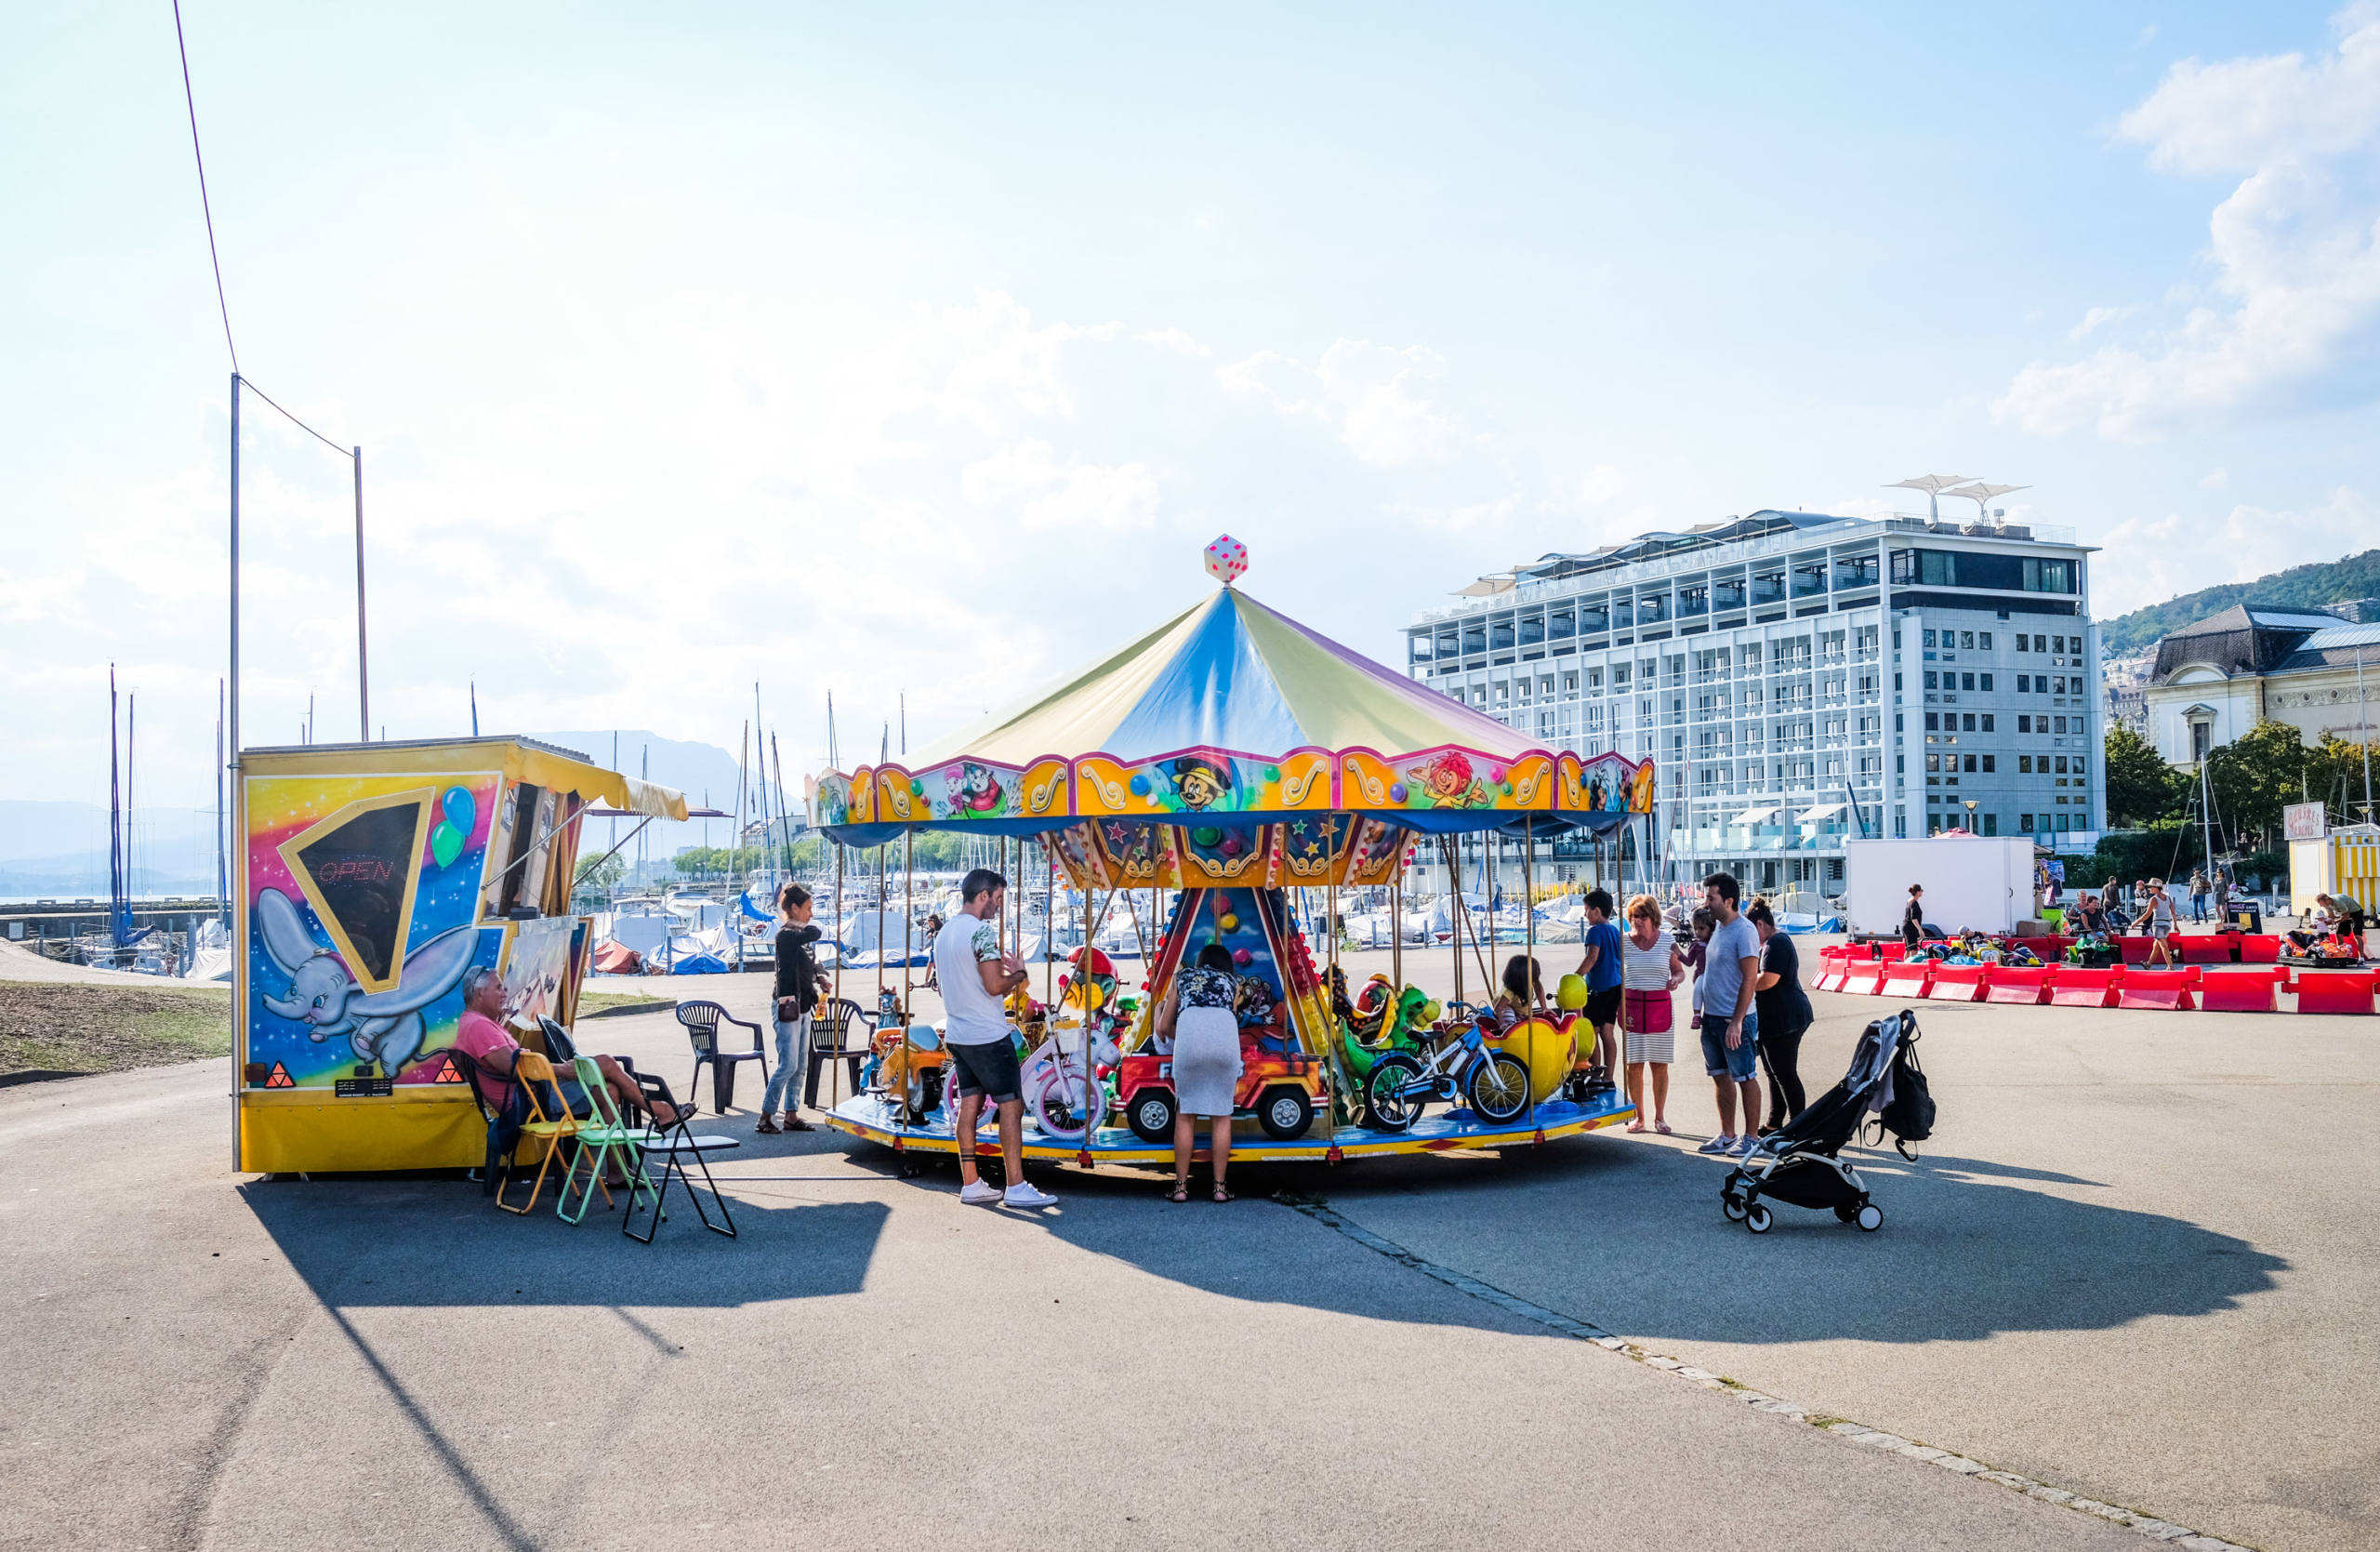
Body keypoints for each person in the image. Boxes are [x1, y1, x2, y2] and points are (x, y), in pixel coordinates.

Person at [932, 869, 1056, 1209]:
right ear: (983, 895)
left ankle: (971, 1182)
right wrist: (1019, 973)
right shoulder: (981, 933)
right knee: (1011, 1106)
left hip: (958, 1032)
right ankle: (1015, 1184)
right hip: (988, 1033)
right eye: (998, 898)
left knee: (969, 1105)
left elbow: (946, 985)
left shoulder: (943, 934)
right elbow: (994, 986)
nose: (999, 906)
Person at [450, 965, 679, 1137]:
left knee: (609, 1089)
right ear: (479, 994)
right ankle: (659, 1111)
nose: (504, 993)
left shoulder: (478, 1023)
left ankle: (618, 1168)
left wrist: (556, 1068)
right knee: (607, 1064)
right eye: (498, 988)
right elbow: (513, 1067)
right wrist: (562, 1070)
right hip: (530, 1100)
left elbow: (515, 1063)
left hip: (533, 1092)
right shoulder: (479, 1026)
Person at [1155, 943, 1244, 1202]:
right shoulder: (1232, 982)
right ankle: (1219, 1188)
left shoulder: (1181, 978)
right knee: (1222, 1116)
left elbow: (1163, 1027)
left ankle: (1181, 1188)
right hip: (1225, 1046)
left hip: (1190, 1044)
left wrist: (1184, 1038)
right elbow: (1230, 1022)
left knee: (1185, 1115)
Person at [1695, 872, 1762, 1158]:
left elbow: (1750, 979)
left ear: (1729, 900)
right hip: (1712, 1018)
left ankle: (1752, 1139)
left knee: (1745, 1077)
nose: (1706, 903)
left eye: (1711, 898)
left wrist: (1737, 1021)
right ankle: (1727, 1135)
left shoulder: (1744, 931)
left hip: (1735, 1021)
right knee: (1720, 1076)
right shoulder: (1720, 928)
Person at [759, 882, 829, 1134]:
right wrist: (806, 926)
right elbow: (813, 934)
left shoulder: (797, 938)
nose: (811, 914)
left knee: (800, 1064)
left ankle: (791, 1114)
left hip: (804, 1005)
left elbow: (812, 958)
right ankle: (766, 1116)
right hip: (787, 1005)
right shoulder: (787, 936)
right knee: (788, 1064)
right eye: (808, 908)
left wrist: (820, 976)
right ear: (795, 908)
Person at [1744, 901, 1812, 1134]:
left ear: (1760, 924)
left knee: (1784, 1074)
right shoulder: (1770, 944)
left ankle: (1798, 1126)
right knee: (1774, 1074)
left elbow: (1768, 980)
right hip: (1776, 1019)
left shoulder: (1776, 944)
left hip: (1786, 1019)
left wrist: (1743, 982)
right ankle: (1775, 1123)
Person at [1619, 893, 1683, 1134]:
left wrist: (1674, 980)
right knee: (1633, 1066)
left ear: (1653, 917)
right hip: (1632, 1007)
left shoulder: (1667, 941)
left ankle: (1660, 1117)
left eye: (1642, 916)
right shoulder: (1622, 941)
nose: (1637, 920)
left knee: (1659, 1066)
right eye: (1634, 916)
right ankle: (1639, 1117)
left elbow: (1679, 971)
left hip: (1659, 1008)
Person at [1575, 889, 1624, 1091]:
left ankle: (1595, 1074)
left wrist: (1576, 976)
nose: (1585, 914)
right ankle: (1609, 1078)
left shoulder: (1594, 931)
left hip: (1597, 988)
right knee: (1608, 1032)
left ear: (1597, 910)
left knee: (1592, 1032)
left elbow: (1592, 958)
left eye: (1587, 910)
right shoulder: (1613, 929)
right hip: (1615, 986)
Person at [1491, 953, 1544, 1029]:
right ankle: (1511, 1025)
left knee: (1527, 1018)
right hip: (1505, 1006)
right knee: (1508, 1016)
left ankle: (1518, 1018)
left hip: (1518, 1008)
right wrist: (1503, 1025)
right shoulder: (1510, 989)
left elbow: (1538, 987)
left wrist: (1544, 1008)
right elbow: (1498, 1009)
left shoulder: (1530, 981)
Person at [2134, 879, 2176, 965]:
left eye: (2150, 887)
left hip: (2158, 925)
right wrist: (2175, 924)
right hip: (2167, 924)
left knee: (2163, 946)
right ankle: (2148, 964)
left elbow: (2147, 914)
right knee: (2156, 945)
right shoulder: (2168, 898)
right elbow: (2173, 912)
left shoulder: (2153, 899)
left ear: (2156, 888)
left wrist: (2136, 922)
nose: (2149, 889)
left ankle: (2170, 966)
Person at [921, 912, 944, 991]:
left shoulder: (942, 928)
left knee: (938, 967)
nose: (931, 926)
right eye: (929, 924)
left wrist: (935, 933)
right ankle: (926, 981)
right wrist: (930, 933)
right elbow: (929, 933)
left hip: (939, 950)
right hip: (933, 950)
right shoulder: (932, 930)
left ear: (935, 922)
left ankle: (940, 982)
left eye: (931, 924)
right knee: (930, 965)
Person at [1901, 883, 1926, 953]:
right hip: (1910, 928)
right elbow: (1914, 918)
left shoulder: (1909, 901)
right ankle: (1912, 963)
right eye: (1921, 890)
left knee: (1908, 949)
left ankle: (1905, 963)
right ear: (1918, 892)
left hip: (1906, 927)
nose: (1922, 892)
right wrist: (1920, 930)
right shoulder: (1914, 902)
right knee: (1913, 950)